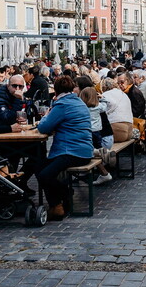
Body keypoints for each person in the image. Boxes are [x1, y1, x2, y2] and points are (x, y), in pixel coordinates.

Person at [28, 76, 94, 220]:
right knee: (40, 166)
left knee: (44, 174)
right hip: (85, 150)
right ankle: (62, 198)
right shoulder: (79, 102)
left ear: (56, 91)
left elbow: (43, 128)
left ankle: (58, 204)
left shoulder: (62, 105)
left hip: (71, 151)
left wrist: (46, 116)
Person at [99, 78, 133, 144]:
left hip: (117, 131)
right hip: (129, 131)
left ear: (104, 87)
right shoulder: (124, 94)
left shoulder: (105, 95)